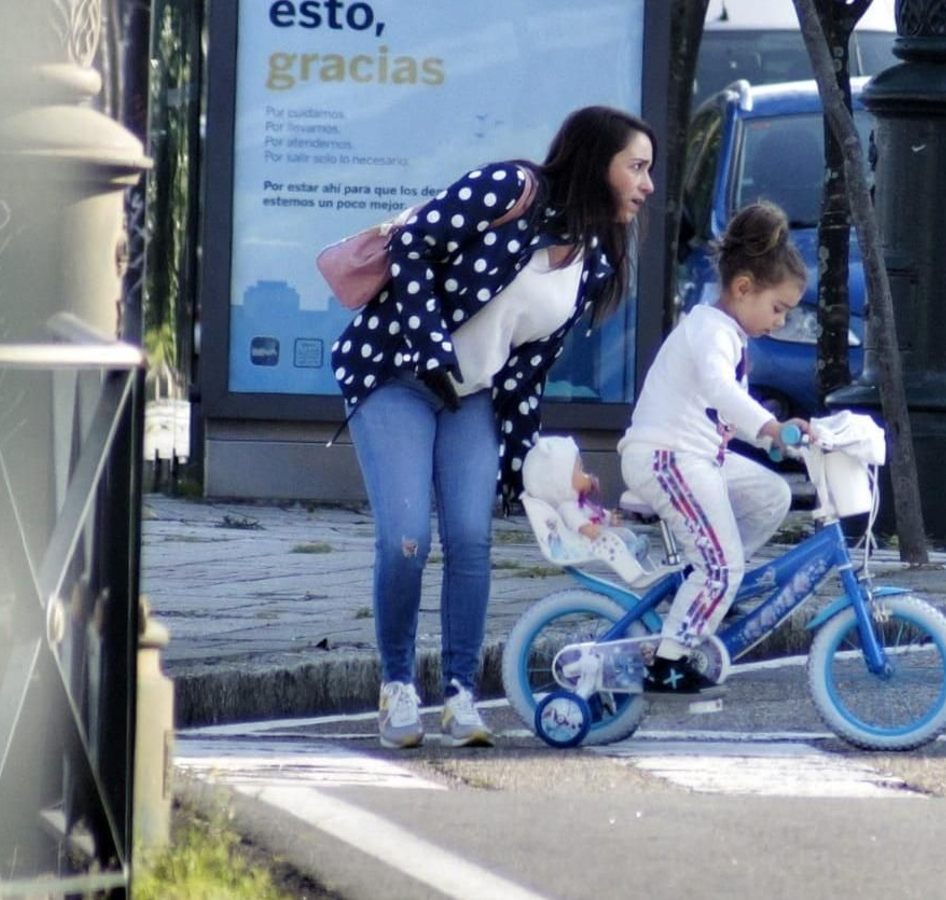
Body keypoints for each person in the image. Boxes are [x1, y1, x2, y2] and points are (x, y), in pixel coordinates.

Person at [330, 106, 656, 748]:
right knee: (406, 539)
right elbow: (411, 244)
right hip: (396, 375)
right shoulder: (510, 189)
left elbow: (527, 372)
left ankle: (459, 695)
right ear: (597, 163)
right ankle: (397, 684)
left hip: (473, 398)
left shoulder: (593, 262)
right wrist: (431, 347)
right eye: (636, 167)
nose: (646, 185)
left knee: (471, 540)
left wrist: (534, 473)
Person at [617, 201, 810, 693]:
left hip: (697, 457)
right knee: (723, 566)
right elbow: (724, 393)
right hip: (667, 457)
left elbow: (724, 411)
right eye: (778, 309)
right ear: (743, 287)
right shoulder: (709, 331)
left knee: (771, 495)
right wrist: (771, 426)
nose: (780, 322)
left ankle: (703, 581)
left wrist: (776, 441)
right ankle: (668, 659)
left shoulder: (728, 334)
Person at [522, 434, 651, 567]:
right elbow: (575, 520)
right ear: (562, 480)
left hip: (595, 538)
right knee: (616, 537)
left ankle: (632, 548)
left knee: (622, 534)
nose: (586, 475)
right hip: (588, 543)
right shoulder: (567, 507)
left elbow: (592, 512)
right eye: (580, 470)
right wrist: (585, 527)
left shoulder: (577, 504)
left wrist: (608, 517)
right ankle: (630, 551)